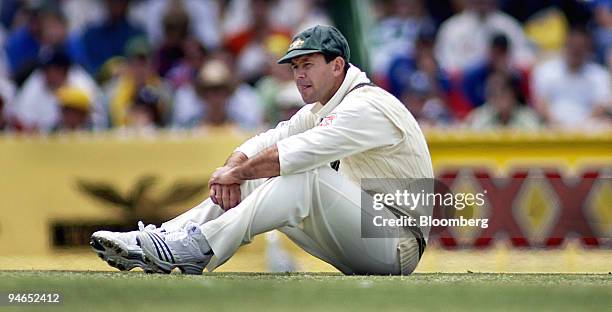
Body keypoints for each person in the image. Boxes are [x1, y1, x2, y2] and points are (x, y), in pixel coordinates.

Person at [91, 25, 433, 275]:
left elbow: (292, 154)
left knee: (302, 175)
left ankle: (198, 247)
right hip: (364, 236)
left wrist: (236, 172)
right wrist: (234, 168)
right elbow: (272, 138)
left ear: (338, 65)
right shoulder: (324, 106)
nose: (299, 76)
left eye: (308, 65)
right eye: (295, 67)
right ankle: (163, 240)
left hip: (397, 243)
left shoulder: (367, 105)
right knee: (257, 174)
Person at [532, 27, 612, 128]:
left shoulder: (599, 75)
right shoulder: (545, 70)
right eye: (572, 46)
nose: (576, 50)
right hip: (551, 127)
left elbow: (601, 105)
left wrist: (581, 127)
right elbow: (540, 102)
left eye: (580, 47)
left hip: (589, 129)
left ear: (588, 48)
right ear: (565, 45)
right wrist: (557, 125)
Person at [465, 73, 540, 129]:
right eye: (493, 94)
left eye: (502, 92)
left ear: (513, 94)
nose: (498, 98)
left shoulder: (529, 118)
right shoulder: (478, 117)